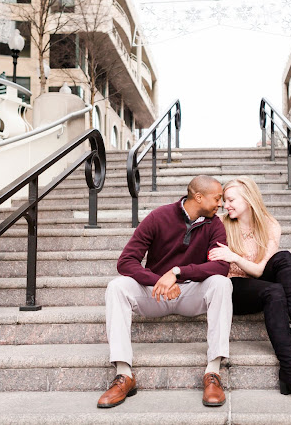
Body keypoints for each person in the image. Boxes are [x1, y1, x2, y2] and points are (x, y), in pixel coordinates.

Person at [98, 175, 233, 408]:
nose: (220, 204)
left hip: (191, 293)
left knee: (222, 283)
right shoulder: (159, 217)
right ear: (199, 197)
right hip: (156, 294)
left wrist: (178, 272)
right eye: (217, 198)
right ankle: (123, 374)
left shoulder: (215, 225)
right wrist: (159, 280)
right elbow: (126, 261)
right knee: (116, 286)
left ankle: (213, 373)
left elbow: (221, 266)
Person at [208, 176, 291, 400]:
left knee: (284, 259)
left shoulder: (270, 225)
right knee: (274, 292)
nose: (225, 205)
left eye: (230, 199)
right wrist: (232, 259)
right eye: (224, 200)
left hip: (257, 279)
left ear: (248, 199)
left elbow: (259, 271)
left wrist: (233, 256)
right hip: (232, 287)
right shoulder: (219, 224)